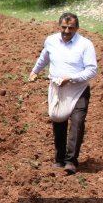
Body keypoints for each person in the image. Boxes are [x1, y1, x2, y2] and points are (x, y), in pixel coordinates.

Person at [28, 12, 97, 175]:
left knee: (77, 123)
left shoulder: (85, 45)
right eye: (64, 27)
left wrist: (72, 78)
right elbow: (44, 57)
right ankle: (59, 158)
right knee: (58, 119)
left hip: (78, 89)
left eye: (71, 28)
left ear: (77, 28)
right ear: (59, 26)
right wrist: (35, 71)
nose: (67, 31)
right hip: (58, 87)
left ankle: (71, 161)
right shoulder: (51, 41)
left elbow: (92, 69)